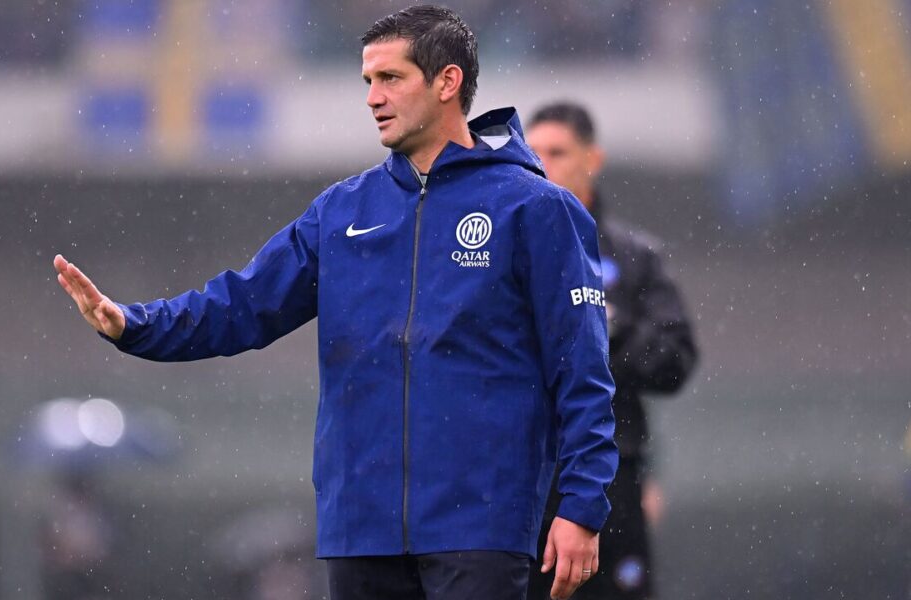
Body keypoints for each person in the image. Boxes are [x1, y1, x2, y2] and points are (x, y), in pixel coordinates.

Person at [53, 7, 617, 600]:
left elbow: (581, 370)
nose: (373, 97)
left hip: (480, 521)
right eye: (367, 81)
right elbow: (242, 305)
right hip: (360, 527)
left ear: (447, 82)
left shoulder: (535, 209)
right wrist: (131, 324)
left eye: (391, 78)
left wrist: (581, 506)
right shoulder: (342, 212)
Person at [525, 102, 699, 600]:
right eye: (533, 153)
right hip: (521, 478)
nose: (543, 165)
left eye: (557, 152)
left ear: (592, 159)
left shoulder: (632, 255)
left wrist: (607, 331)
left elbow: (676, 360)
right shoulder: (500, 250)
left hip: (610, 477)